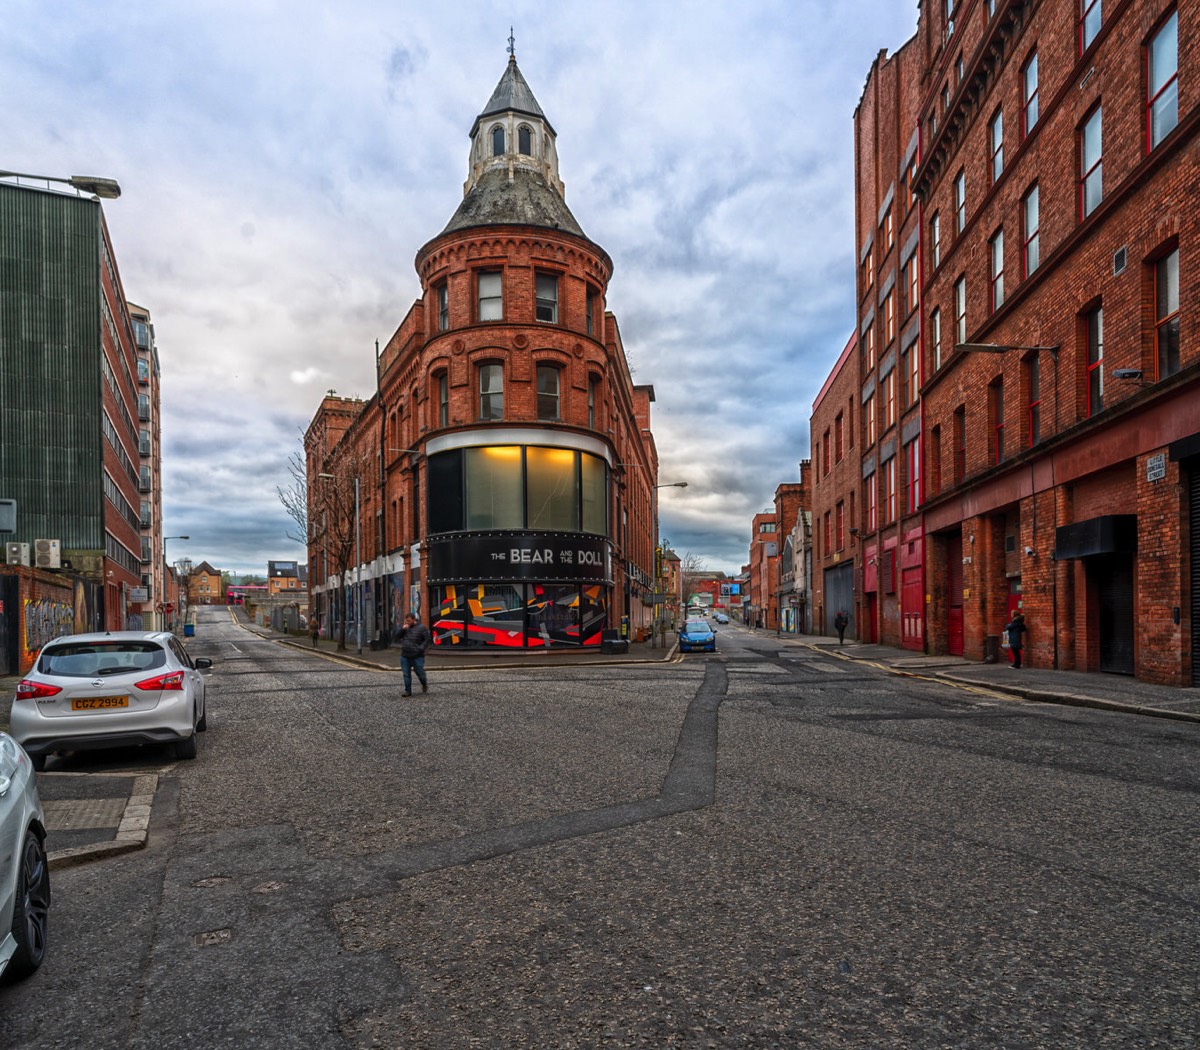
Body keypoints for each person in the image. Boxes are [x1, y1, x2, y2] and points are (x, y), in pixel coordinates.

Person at [398, 612, 431, 696]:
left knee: (420, 672)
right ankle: (408, 691)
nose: (407, 622)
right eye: (406, 621)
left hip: (417, 655)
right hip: (405, 655)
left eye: (409, 621)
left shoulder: (422, 628)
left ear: (414, 620)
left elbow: (427, 639)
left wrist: (421, 648)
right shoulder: (405, 628)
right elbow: (396, 636)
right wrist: (402, 629)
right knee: (406, 674)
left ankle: (424, 684)